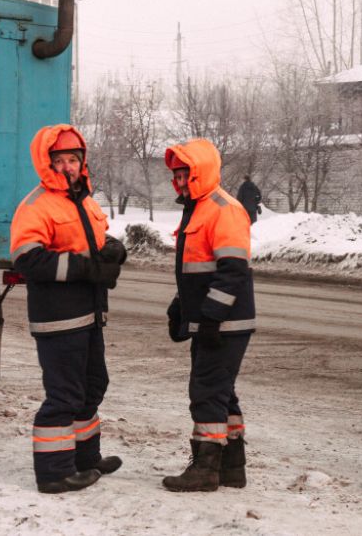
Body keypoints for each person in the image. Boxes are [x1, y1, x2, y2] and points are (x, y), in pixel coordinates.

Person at [10, 124, 127, 494]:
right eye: (59, 160)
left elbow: (93, 242)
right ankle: (54, 473)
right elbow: (28, 260)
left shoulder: (85, 202)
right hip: (58, 319)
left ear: (82, 162)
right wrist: (86, 267)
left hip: (90, 316)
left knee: (93, 387)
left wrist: (112, 249)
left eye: (73, 159)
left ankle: (84, 458)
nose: (67, 166)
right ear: (47, 164)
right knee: (64, 396)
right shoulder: (35, 205)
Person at [162, 138, 256, 492]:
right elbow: (195, 272)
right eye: (177, 176)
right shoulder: (198, 209)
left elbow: (232, 270)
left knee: (206, 390)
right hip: (214, 320)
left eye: (185, 175)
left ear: (200, 173)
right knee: (221, 392)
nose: (181, 182)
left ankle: (205, 469)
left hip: (226, 323)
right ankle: (232, 468)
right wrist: (180, 308)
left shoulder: (223, 209)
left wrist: (213, 316)